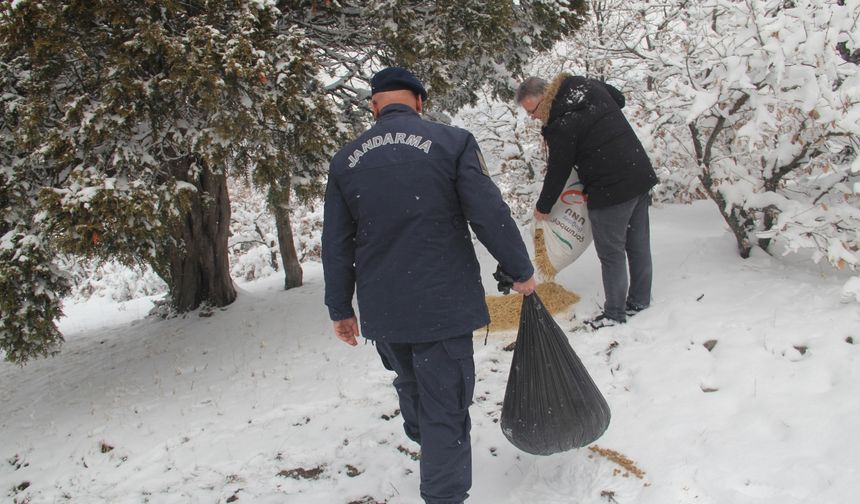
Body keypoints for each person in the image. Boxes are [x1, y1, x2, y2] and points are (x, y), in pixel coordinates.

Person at [322, 67, 536, 504]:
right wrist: (520, 269)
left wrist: (339, 308)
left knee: (411, 380)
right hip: (442, 302)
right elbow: (488, 212)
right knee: (445, 406)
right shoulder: (452, 143)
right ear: (420, 101)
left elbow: (336, 242)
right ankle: (443, 492)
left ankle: (429, 442)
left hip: (386, 308)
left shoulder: (346, 160)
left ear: (373, 106)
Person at [516, 74, 658, 329]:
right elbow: (620, 98)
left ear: (544, 98)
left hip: (610, 189)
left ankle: (614, 314)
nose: (532, 117)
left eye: (532, 111)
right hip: (638, 173)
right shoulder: (583, 85)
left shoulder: (562, 122)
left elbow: (558, 170)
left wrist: (543, 207)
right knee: (638, 245)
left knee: (611, 254)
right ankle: (639, 301)